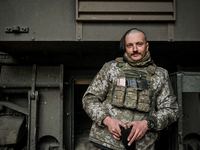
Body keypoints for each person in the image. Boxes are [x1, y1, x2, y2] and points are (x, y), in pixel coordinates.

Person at [82, 28, 179, 150]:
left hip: (143, 145)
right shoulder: (111, 68)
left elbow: (171, 110)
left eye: (139, 44)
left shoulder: (160, 75)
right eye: (130, 45)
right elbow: (89, 99)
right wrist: (107, 120)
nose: (135, 49)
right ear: (125, 47)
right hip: (108, 143)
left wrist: (148, 124)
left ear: (147, 46)